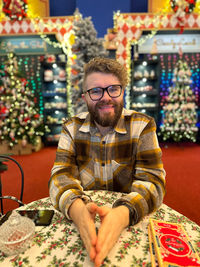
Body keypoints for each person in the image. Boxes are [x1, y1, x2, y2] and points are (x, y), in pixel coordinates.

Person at [49, 57, 166, 267]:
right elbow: (60, 176)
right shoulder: (71, 128)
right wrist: (77, 210)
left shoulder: (143, 126)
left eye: (113, 89)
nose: (106, 98)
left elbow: (154, 181)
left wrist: (122, 215)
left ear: (123, 91)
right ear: (85, 96)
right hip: (82, 224)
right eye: (96, 91)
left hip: (131, 221)